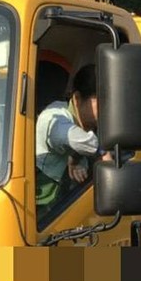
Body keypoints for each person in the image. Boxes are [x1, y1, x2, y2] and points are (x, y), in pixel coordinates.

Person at [34, 63, 103, 207]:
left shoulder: (91, 123)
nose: (108, 109)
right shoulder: (54, 117)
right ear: (77, 98)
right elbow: (75, 138)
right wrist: (102, 152)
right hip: (43, 204)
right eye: (101, 102)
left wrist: (76, 159)